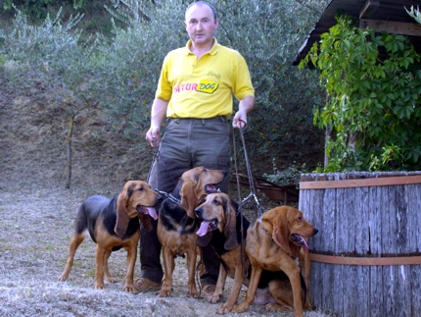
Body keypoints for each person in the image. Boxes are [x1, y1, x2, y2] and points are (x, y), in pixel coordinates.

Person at [134, 1, 255, 297]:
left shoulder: (232, 58)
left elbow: (247, 93)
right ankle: (151, 273)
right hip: (174, 134)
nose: (198, 27)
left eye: (204, 21)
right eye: (193, 22)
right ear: (186, 25)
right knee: (153, 201)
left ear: (215, 24)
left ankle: (211, 276)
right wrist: (154, 125)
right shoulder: (173, 58)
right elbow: (161, 98)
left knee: (214, 207)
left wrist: (242, 111)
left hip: (213, 133)